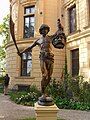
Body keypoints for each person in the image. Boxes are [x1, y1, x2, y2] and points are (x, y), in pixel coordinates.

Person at [18, 19, 66, 99]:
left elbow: (59, 31)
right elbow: (29, 47)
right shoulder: (38, 40)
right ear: (41, 31)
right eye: (43, 29)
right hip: (43, 58)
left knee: (49, 77)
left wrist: (59, 24)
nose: (45, 31)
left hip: (50, 58)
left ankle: (45, 91)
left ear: (47, 31)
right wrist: (21, 52)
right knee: (44, 75)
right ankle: (43, 92)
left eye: (46, 29)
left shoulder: (50, 37)